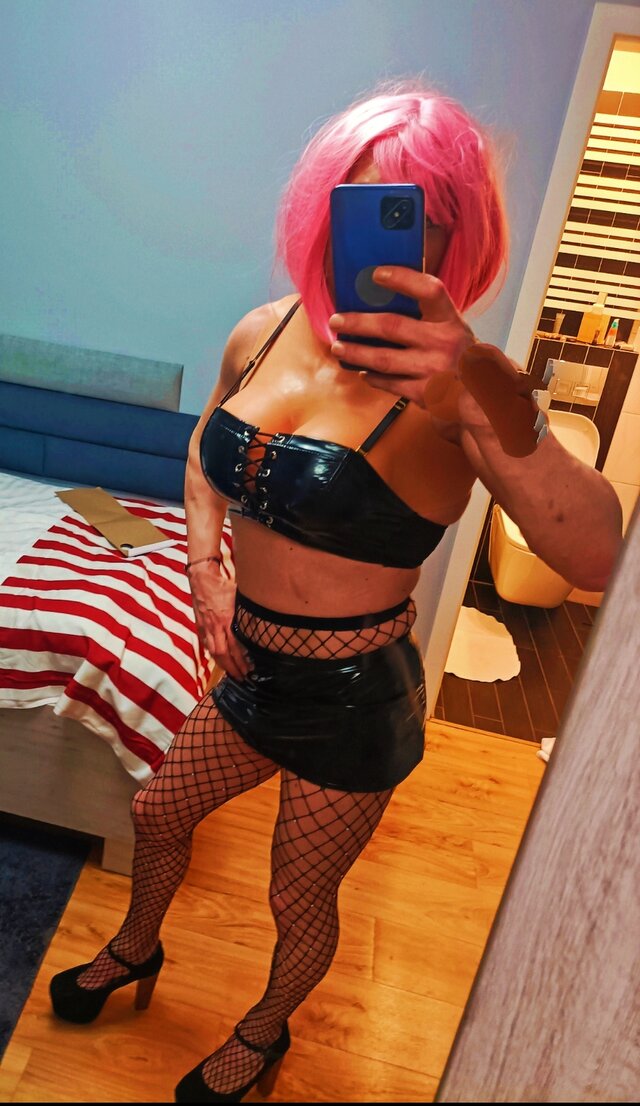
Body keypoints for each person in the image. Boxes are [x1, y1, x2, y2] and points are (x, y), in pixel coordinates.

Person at [49, 81, 623, 1103]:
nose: (388, 240)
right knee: (157, 810)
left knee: (296, 894)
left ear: (459, 236)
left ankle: (263, 1033)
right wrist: (204, 574)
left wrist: (477, 391)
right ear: (323, 210)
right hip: (251, 671)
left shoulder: (469, 386)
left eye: (420, 216)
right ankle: (137, 946)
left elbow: (594, 553)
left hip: (355, 697)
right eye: (363, 204)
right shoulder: (263, 332)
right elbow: (204, 449)